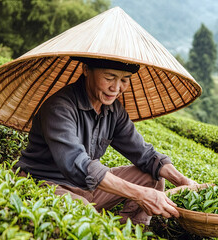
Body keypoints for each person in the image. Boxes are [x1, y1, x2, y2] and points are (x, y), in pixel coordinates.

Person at [15, 57, 197, 225]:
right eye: (110, 77)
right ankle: (103, 229)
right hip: (46, 183)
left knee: (153, 177)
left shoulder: (113, 110)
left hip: (87, 187)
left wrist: (183, 181)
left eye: (124, 80)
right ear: (86, 70)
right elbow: (77, 164)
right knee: (83, 212)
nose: (116, 88)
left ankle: (129, 230)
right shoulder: (59, 108)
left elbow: (145, 155)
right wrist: (141, 195)